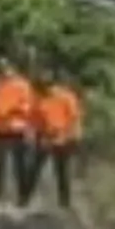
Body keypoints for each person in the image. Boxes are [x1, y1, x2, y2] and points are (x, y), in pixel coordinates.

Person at [0, 57, 35, 205]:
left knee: (20, 164)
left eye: (7, 66)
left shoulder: (22, 85)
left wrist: (19, 115)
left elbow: (29, 106)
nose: (5, 70)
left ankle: (23, 196)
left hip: (17, 128)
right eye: (2, 66)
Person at [29, 72, 83, 209]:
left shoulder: (67, 97)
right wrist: (38, 136)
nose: (47, 90)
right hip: (46, 137)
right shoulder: (40, 100)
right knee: (34, 168)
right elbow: (36, 121)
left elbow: (74, 118)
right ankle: (25, 197)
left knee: (62, 172)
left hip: (64, 137)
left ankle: (65, 202)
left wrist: (70, 136)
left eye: (48, 86)